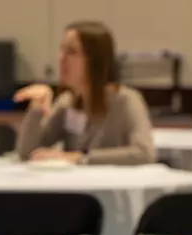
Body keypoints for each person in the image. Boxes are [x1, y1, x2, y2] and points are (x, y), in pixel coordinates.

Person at [14, 20, 155, 165]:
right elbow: (27, 153)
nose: (62, 59)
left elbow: (144, 153)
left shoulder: (126, 100)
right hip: (76, 185)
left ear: (95, 60)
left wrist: (81, 158)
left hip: (112, 185)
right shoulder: (68, 102)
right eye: (62, 50)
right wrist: (37, 107)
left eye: (72, 52)